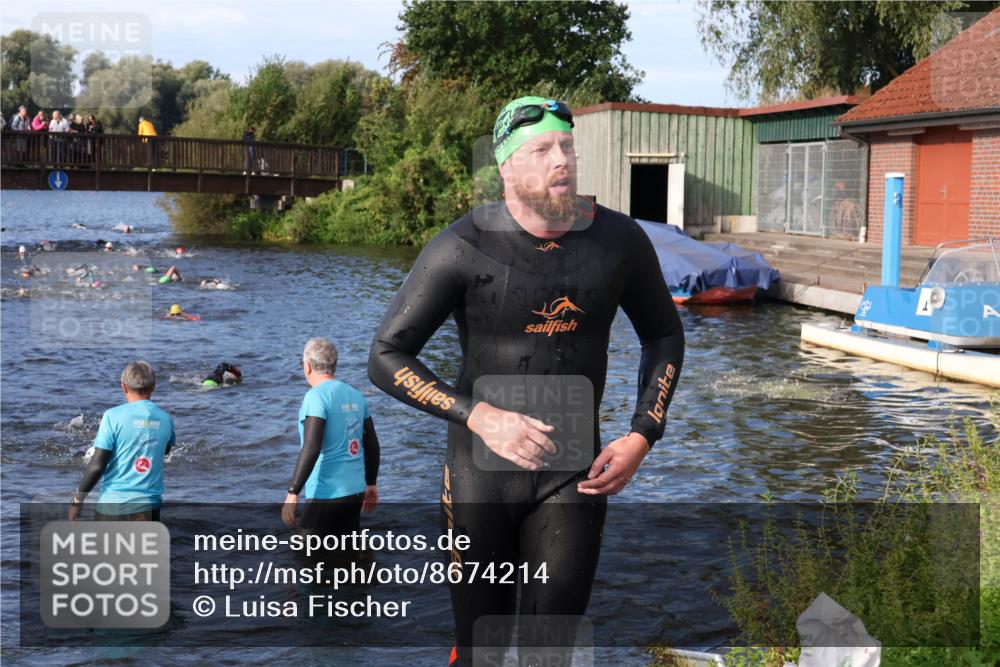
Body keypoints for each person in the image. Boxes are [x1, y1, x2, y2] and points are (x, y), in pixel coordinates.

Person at [367, 96, 685, 665]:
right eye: (541, 149)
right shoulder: (463, 246)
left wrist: (642, 434)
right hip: (478, 476)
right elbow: (387, 356)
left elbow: (664, 335)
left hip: (574, 476)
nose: (560, 158)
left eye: (566, 145)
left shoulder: (619, 242)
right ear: (507, 168)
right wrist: (479, 415)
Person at [283, 338, 380, 550]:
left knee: (303, 558)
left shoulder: (315, 398)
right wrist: (371, 484)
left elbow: (312, 447)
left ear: (307, 366)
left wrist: (293, 493)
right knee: (347, 558)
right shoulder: (356, 395)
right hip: (355, 492)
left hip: (326, 494)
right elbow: (372, 443)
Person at [69, 361, 175, 521]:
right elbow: (165, 451)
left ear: (124, 386)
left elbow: (97, 465)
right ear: (153, 386)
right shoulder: (166, 419)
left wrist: (77, 501)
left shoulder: (112, 416)